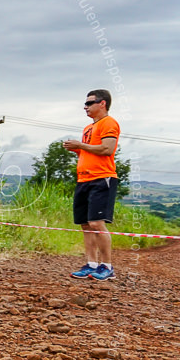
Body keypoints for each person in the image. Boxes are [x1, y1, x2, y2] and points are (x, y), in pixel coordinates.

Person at [63, 89, 120, 281]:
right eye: (85, 104)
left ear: (102, 103)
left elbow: (107, 149)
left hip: (102, 178)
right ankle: (91, 264)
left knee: (97, 223)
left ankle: (107, 267)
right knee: (86, 224)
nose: (85, 107)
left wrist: (80, 146)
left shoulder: (109, 123)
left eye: (89, 103)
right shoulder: (88, 128)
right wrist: (77, 150)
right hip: (83, 179)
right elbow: (89, 151)